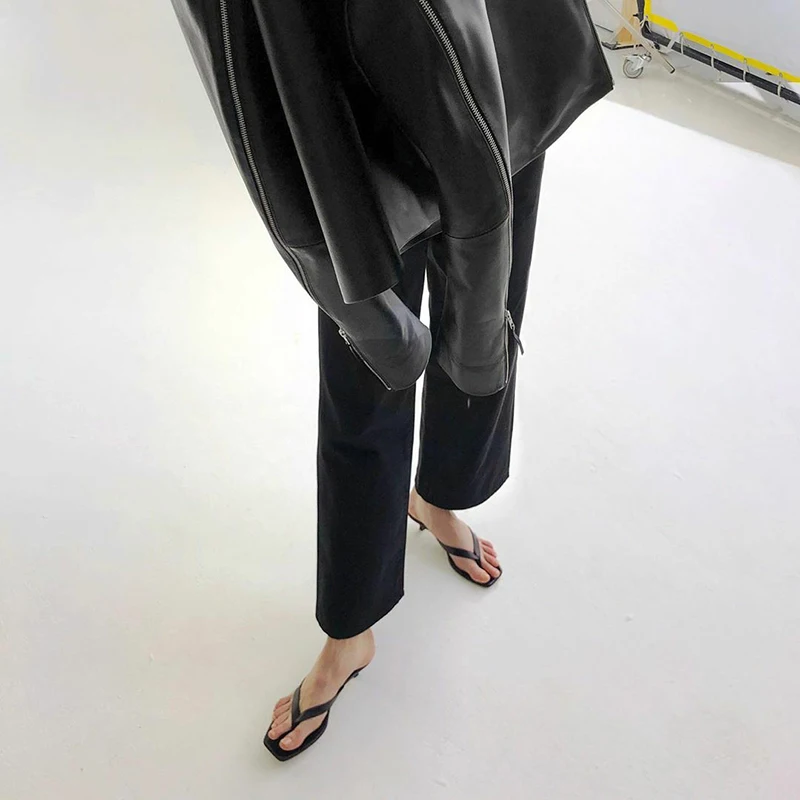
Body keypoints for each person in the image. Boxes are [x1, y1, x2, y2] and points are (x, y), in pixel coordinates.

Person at [264, 153, 545, 759]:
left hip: (502, 95)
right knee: (365, 354)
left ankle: (438, 496)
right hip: (355, 113)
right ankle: (350, 630)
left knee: (484, 310)